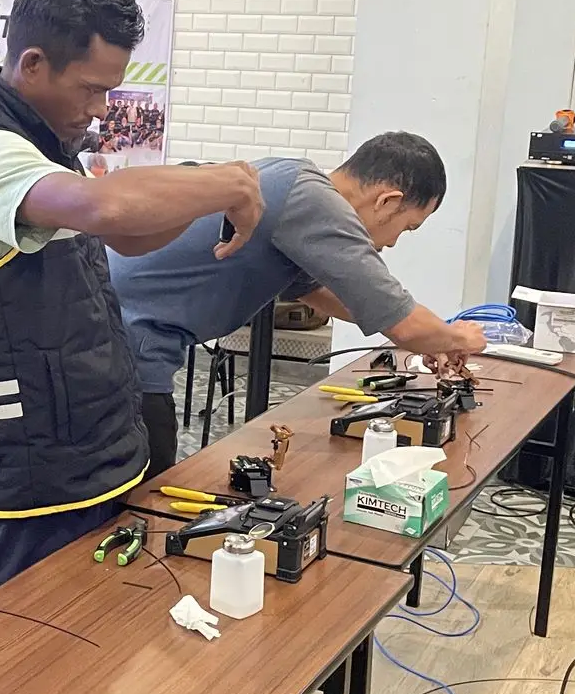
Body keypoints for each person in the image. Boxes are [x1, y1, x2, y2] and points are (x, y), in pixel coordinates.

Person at [0, 0, 263, 593]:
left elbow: (124, 236)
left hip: (90, 443)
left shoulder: (42, 147)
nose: (102, 109)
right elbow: (102, 209)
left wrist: (206, 199)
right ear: (33, 65)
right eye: (90, 89)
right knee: (31, 634)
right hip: (34, 466)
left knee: (100, 624)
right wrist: (224, 183)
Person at [108, 131, 487, 473]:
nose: (391, 242)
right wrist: (459, 338)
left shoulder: (296, 180)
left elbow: (322, 293)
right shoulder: (315, 203)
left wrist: (430, 338)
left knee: (145, 474)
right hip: (124, 344)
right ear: (388, 201)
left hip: (123, 336)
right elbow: (403, 322)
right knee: (143, 491)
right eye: (406, 227)